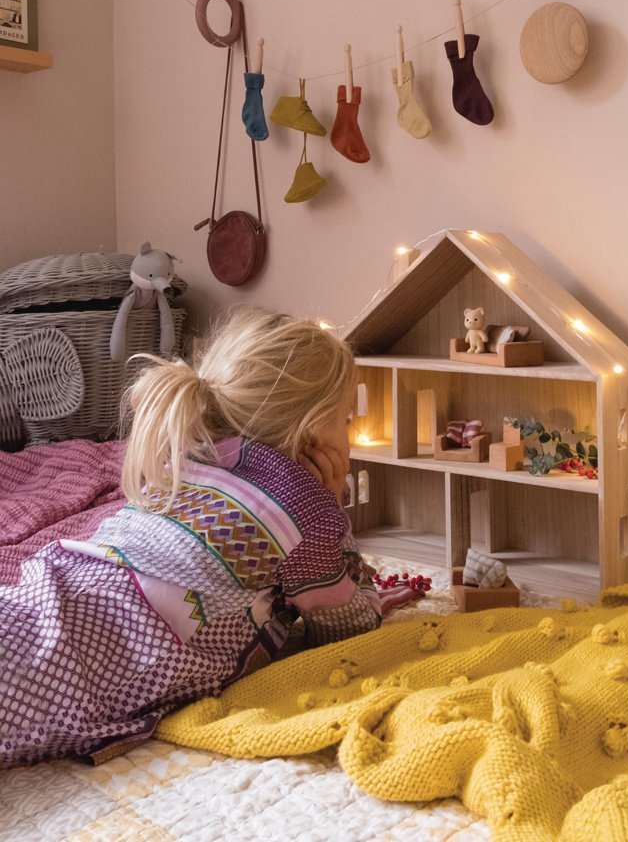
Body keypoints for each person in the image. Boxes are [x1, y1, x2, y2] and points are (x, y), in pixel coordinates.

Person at [0, 308, 420, 768]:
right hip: (72, 664)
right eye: (346, 418)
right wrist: (332, 508)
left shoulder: (185, 448)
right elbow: (347, 630)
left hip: (53, 591)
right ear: (312, 430)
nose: (351, 430)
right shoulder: (307, 509)